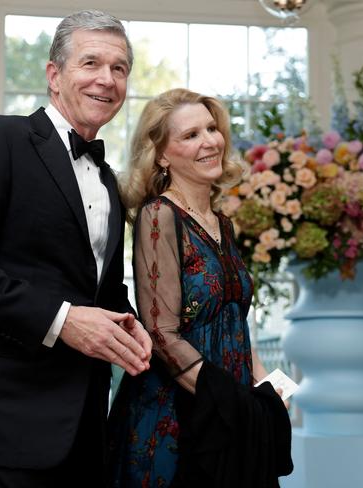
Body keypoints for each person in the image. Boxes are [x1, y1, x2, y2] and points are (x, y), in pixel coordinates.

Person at [0, 10, 152, 487]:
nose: (106, 80)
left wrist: (134, 329)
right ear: (54, 75)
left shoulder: (108, 181)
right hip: (0, 410)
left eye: (119, 68)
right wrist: (63, 319)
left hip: (83, 419)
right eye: (90, 63)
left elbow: (102, 292)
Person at [107, 88, 293, 487]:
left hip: (230, 410)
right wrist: (236, 403)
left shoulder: (223, 222)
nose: (209, 141)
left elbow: (234, 324)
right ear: (161, 154)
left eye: (211, 128)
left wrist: (270, 390)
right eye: (190, 135)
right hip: (176, 419)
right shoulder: (159, 216)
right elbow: (161, 334)